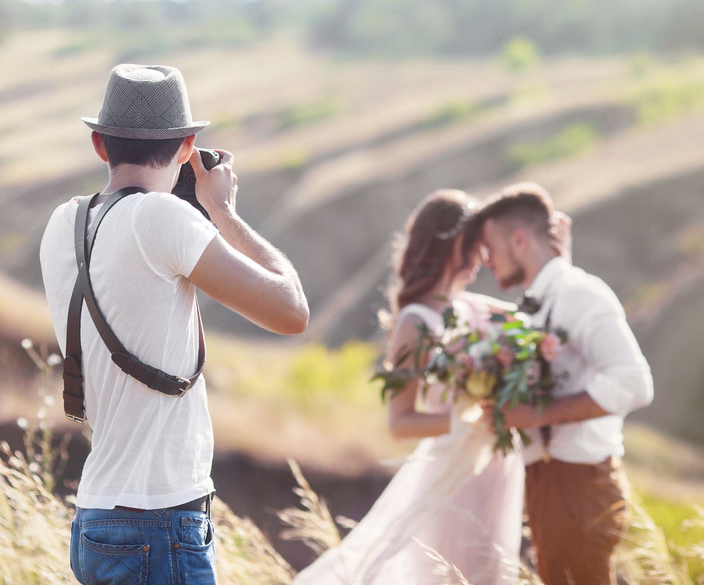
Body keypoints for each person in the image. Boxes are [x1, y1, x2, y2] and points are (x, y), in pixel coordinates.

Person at [39, 64, 309, 584]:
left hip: (95, 513)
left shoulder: (63, 222)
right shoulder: (164, 220)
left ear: (99, 145)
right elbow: (291, 310)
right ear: (188, 148)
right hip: (158, 518)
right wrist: (222, 210)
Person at [294, 189, 532, 585]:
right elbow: (401, 423)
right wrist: (462, 417)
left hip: (495, 467)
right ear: (453, 242)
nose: (484, 258)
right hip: (450, 473)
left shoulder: (474, 307)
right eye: (476, 245)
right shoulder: (414, 323)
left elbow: (536, 320)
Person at [470, 182, 654, 585]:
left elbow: (635, 383)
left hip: (576, 485)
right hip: (553, 483)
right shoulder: (543, 301)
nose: (485, 260)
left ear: (519, 240)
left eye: (489, 247)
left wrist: (534, 414)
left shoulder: (580, 295)